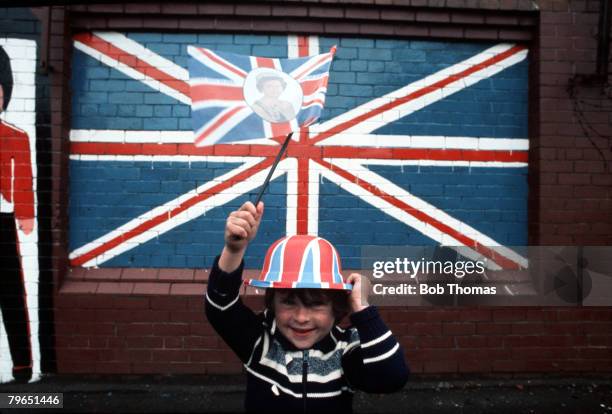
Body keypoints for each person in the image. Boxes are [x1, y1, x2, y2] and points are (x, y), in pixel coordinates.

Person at [205, 201, 409, 413]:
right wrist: (234, 249)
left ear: (336, 307)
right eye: (288, 302)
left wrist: (362, 308)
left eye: (316, 304)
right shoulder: (261, 342)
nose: (301, 317)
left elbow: (392, 378)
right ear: (272, 303)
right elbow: (220, 309)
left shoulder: (345, 349)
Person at [0, 45, 35, 383]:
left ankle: (22, 367)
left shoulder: (15, 136)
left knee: (12, 295)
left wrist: (26, 215)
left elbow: (23, 177)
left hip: (2, 221)